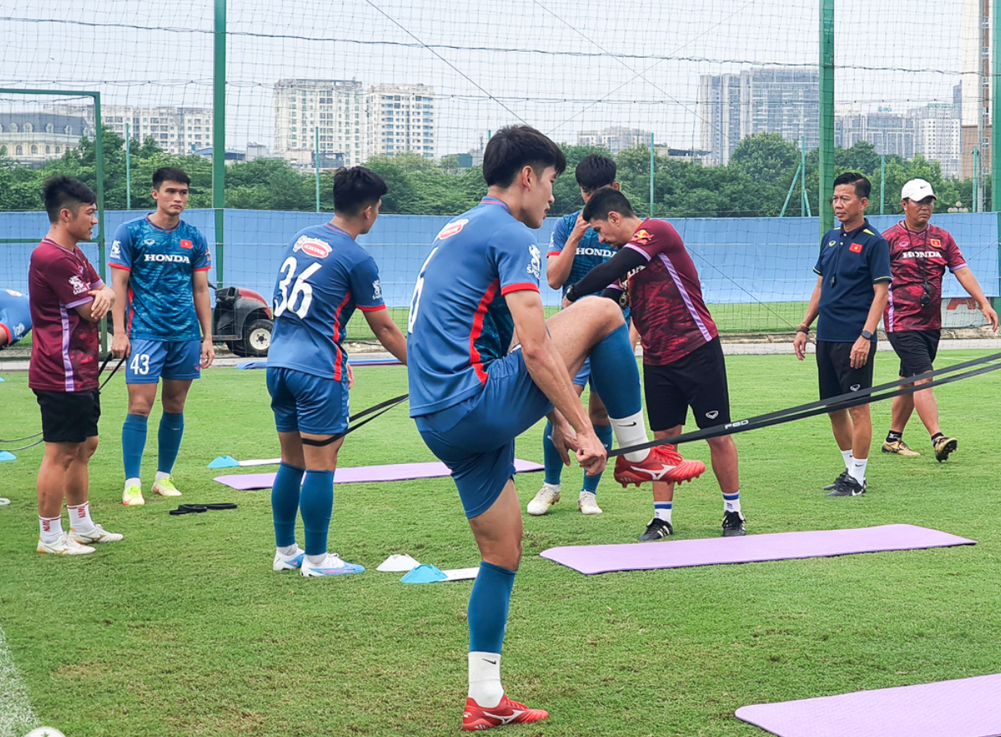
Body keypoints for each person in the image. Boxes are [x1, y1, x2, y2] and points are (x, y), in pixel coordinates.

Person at [407, 125, 699, 731]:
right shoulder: (510, 232)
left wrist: (560, 418)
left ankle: (484, 699)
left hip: (438, 419)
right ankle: (635, 450)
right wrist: (584, 430)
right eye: (550, 185)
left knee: (503, 553)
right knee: (601, 310)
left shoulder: (457, 228)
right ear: (526, 178)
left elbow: (511, 346)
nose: (553, 201)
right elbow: (537, 350)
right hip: (474, 403)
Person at [566, 187, 745, 541]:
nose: (601, 238)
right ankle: (662, 519)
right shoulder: (624, 259)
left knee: (718, 436)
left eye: (601, 230)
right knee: (663, 443)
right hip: (657, 359)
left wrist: (572, 295)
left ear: (615, 217)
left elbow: (612, 268)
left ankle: (733, 513)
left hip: (697, 349)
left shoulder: (656, 232)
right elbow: (609, 303)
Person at [265, 166, 409, 578]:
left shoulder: (302, 237)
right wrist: (421, 368)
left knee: (291, 461)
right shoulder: (358, 258)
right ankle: (317, 559)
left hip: (277, 362)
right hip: (317, 370)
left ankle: (285, 551)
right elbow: (383, 326)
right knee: (321, 464)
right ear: (369, 210)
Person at [108, 167, 214, 506]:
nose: (178, 198)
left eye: (183, 192)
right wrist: (120, 332)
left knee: (175, 405)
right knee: (139, 406)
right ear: (155, 194)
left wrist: (207, 337)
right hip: (145, 334)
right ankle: (132, 483)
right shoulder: (131, 232)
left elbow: (200, 289)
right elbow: (119, 286)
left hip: (184, 335)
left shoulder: (194, 237)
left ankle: (163, 478)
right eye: (171, 191)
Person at [29, 176, 123, 554]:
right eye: (90, 213)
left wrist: (108, 292)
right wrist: (102, 296)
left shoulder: (74, 254)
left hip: (82, 368)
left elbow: (105, 290)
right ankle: (50, 537)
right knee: (61, 452)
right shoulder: (50, 256)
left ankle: (81, 524)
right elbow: (89, 308)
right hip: (60, 369)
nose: (95, 221)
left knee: (86, 444)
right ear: (65, 215)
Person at [529, 153, 625, 517]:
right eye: (586, 192)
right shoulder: (566, 224)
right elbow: (554, 279)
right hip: (572, 336)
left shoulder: (624, 227)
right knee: (559, 405)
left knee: (600, 414)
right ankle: (551, 486)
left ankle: (588, 493)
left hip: (612, 336)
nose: (591, 199)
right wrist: (574, 238)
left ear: (614, 189)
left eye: (598, 191)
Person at [880, 179, 998, 460]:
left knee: (907, 380)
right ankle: (937, 437)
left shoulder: (942, 238)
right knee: (924, 377)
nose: (926, 207)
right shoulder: (888, 240)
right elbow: (873, 283)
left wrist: (983, 302)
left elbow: (963, 271)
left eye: (929, 201)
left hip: (931, 324)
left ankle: (893, 439)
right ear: (904, 204)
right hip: (901, 322)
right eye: (919, 202)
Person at [793, 172, 891, 497]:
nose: (838, 204)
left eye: (845, 198)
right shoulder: (830, 238)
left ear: (863, 202)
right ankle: (849, 471)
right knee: (833, 408)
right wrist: (804, 327)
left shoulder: (874, 242)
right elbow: (820, 286)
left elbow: (881, 295)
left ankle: (858, 479)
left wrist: (866, 335)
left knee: (858, 408)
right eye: (835, 198)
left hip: (855, 340)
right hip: (827, 337)